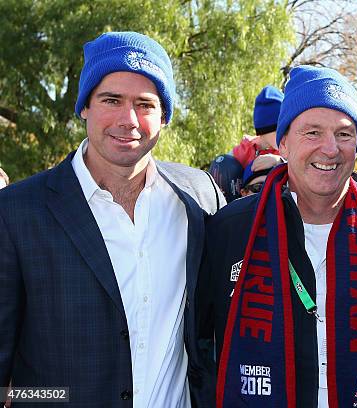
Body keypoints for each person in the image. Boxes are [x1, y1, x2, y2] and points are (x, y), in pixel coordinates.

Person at [0, 31, 225, 407]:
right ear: (85, 106)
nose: (129, 119)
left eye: (145, 104)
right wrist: (46, 400)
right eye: (111, 100)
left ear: (164, 115)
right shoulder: (17, 212)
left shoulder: (199, 196)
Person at [199, 66, 357, 407]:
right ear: (284, 143)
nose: (330, 149)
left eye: (344, 134)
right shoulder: (231, 229)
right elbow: (200, 343)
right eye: (312, 132)